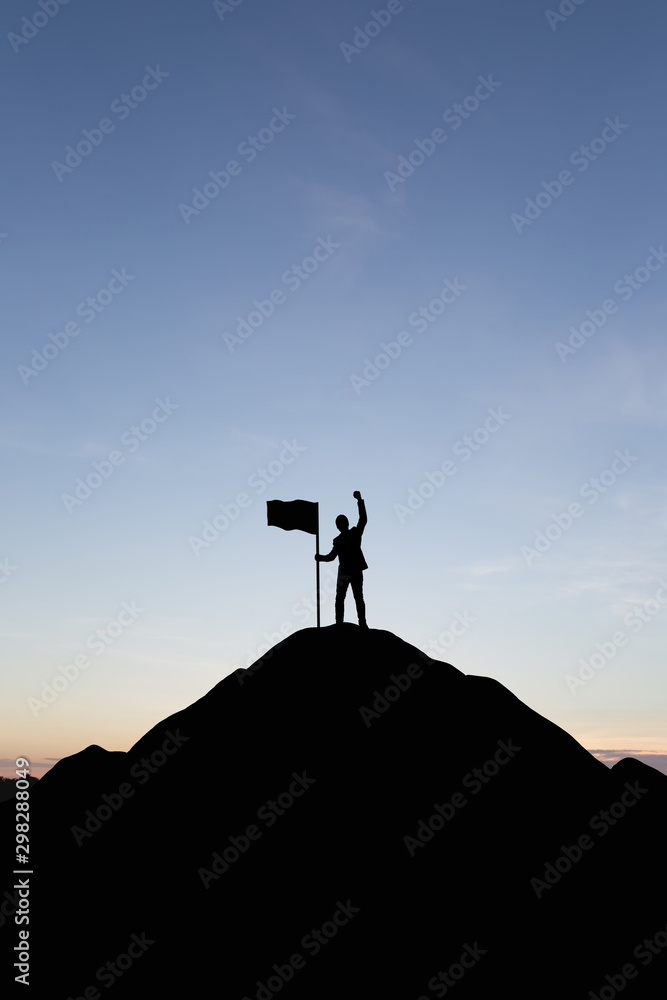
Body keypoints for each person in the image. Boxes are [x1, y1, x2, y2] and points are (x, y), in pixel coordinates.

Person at [316, 491, 368, 627]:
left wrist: (360, 501)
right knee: (340, 599)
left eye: (341, 522)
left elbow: (363, 519)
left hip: (354, 570)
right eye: (338, 523)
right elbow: (331, 556)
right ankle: (339, 623)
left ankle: (362, 622)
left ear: (345, 523)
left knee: (358, 598)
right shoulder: (337, 540)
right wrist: (320, 558)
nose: (340, 525)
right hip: (345, 572)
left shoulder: (355, 533)